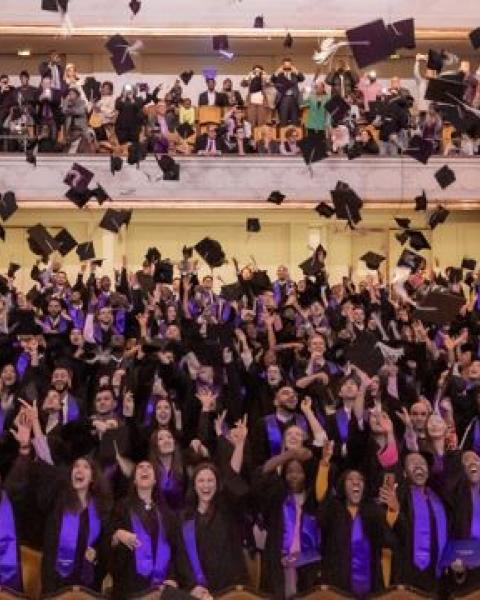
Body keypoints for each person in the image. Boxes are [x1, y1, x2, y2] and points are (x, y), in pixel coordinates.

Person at [111, 460, 177, 598]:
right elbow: (106, 540)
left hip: (162, 585)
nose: (145, 470)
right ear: (134, 480)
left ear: (154, 480)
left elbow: (175, 550)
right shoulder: (121, 508)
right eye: (140, 467)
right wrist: (116, 535)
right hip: (129, 585)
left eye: (149, 468)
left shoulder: (167, 514)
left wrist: (172, 578)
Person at [271, 58, 305, 126]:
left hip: (294, 98)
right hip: (283, 98)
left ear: (291, 65)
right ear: (282, 66)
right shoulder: (279, 75)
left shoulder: (294, 74)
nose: (287, 67)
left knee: (295, 119)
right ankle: (283, 135)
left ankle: (295, 135)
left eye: (289, 65)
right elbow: (272, 79)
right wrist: (277, 72)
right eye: (285, 65)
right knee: (283, 119)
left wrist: (296, 71)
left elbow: (302, 78)